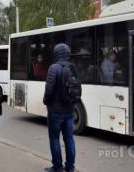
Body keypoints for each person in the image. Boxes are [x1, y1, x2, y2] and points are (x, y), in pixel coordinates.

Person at [43, 43, 76, 172]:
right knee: (69, 139)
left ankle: (57, 166)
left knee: (54, 138)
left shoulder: (53, 68)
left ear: (56, 53)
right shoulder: (72, 67)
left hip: (55, 111)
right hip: (69, 109)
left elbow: (49, 89)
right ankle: (70, 167)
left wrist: (46, 101)